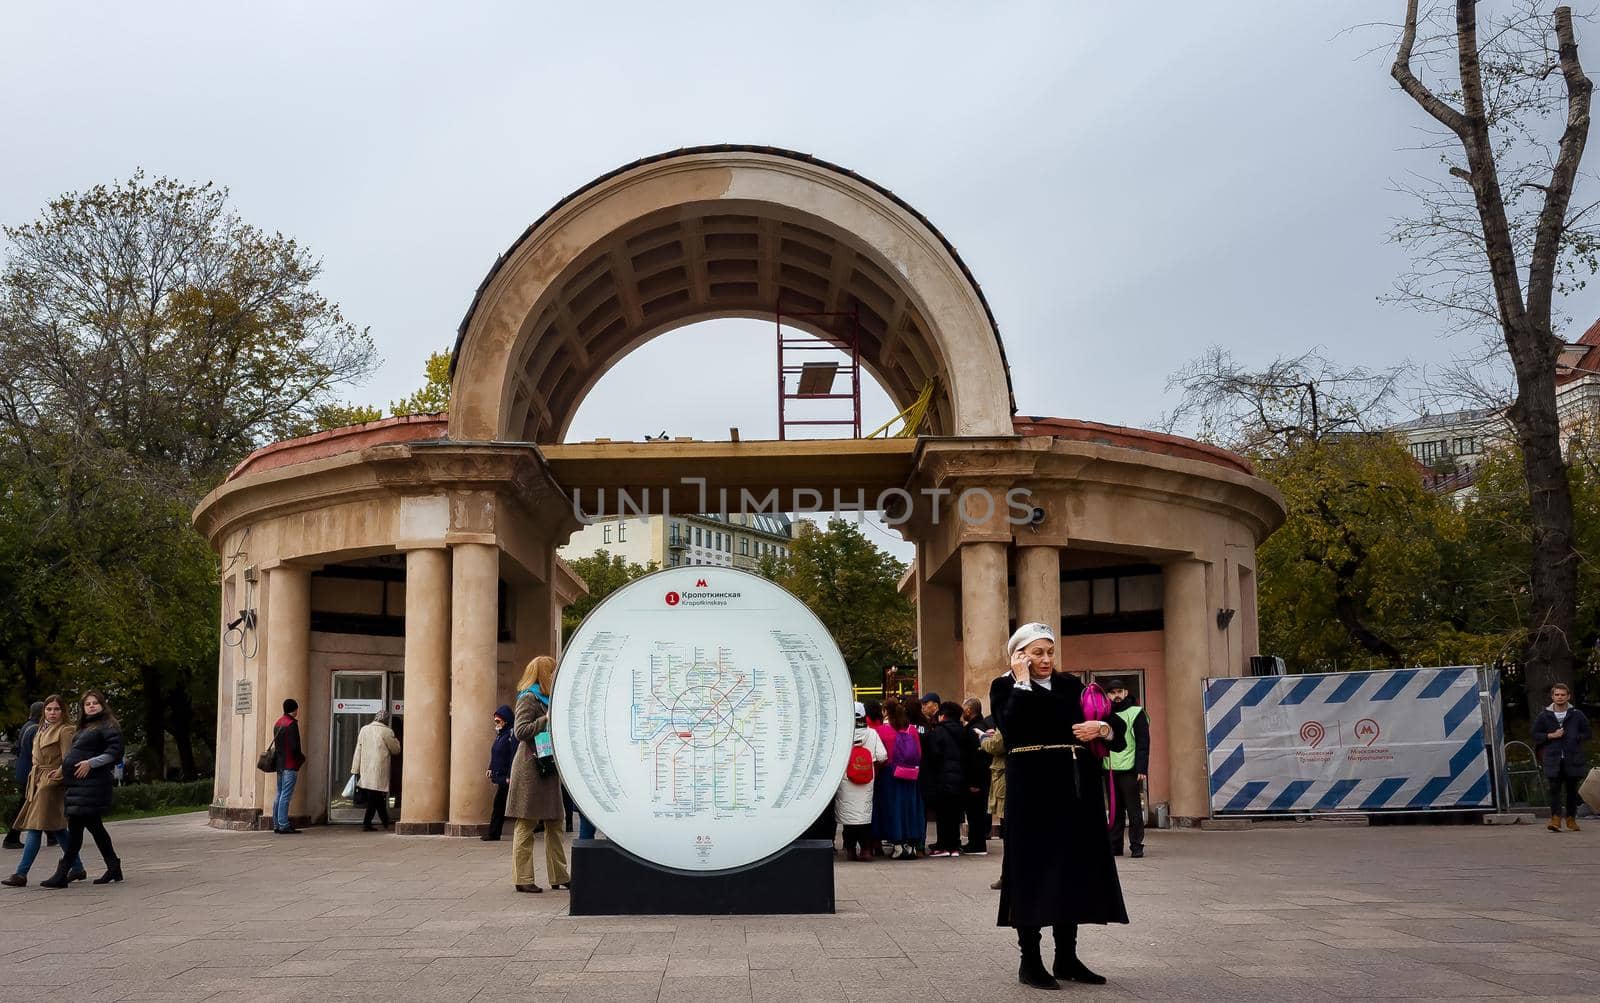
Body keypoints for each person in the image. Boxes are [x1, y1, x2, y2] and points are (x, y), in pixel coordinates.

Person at [990, 622, 1128, 990]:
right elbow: (1011, 726)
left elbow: (1115, 725)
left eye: (1050, 652)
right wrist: (1021, 681)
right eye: (1037, 653)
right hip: (1032, 789)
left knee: (1073, 867)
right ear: (1018, 655)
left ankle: (1066, 956)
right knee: (1031, 869)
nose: (1046, 659)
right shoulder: (1005, 687)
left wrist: (1101, 728)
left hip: (1075, 789)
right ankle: (1030, 961)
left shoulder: (1072, 686)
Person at [42, 691, 126, 888]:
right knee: (94, 827)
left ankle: (63, 872)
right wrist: (63, 769)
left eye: (95, 703)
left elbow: (114, 753)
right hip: (78, 786)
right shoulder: (84, 727)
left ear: (102, 705)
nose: (91, 706)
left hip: (92, 785)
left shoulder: (108, 726)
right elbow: (75, 753)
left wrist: (91, 763)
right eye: (87, 704)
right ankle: (113, 866)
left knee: (78, 829)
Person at [3, 696, 83, 887]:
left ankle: (21, 873)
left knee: (35, 827)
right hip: (37, 780)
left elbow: (68, 758)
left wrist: (58, 775)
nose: (52, 713)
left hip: (51, 783)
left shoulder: (65, 730)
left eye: (56, 709)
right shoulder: (40, 729)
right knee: (58, 828)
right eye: (49, 709)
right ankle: (78, 867)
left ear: (63, 711)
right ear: (43, 711)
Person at [507, 656, 570, 892]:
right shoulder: (529, 697)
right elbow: (520, 731)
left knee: (556, 823)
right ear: (543, 673)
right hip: (530, 768)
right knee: (526, 823)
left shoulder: (551, 698)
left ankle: (559, 876)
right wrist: (546, 719)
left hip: (547, 766)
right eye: (552, 672)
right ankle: (523, 879)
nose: (555, 675)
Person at [1533, 683, 1592, 832]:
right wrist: (1550, 736)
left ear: (1568, 696)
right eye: (1557, 695)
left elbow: (1588, 733)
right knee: (1554, 789)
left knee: (1571, 790)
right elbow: (1535, 734)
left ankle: (1571, 819)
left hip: (1572, 758)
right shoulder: (1544, 716)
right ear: (1552, 696)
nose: (1560, 697)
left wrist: (1576, 737)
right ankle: (1555, 819)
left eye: (1562, 695)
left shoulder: (1577, 714)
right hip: (1553, 759)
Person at [925, 701, 979, 857]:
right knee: (955, 814)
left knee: (943, 814)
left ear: (942, 716)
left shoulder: (938, 732)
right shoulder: (965, 732)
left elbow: (934, 756)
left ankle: (943, 845)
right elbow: (970, 756)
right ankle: (954, 845)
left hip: (942, 778)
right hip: (960, 779)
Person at [1103, 680, 1150, 858]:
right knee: (1115, 810)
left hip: (1129, 769)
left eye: (1119, 691)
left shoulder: (1136, 712)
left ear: (1125, 692)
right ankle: (1115, 845)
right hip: (1109, 768)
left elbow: (1143, 742)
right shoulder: (1105, 714)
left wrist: (1142, 768)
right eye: (1112, 692)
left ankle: (1136, 845)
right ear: (1107, 695)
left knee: (1134, 810)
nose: (1116, 696)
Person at [836, 702, 887, 861]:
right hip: (866, 779)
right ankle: (866, 849)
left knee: (848, 814)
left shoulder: (842, 733)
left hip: (846, 778)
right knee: (864, 815)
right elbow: (882, 755)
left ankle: (850, 849)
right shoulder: (871, 734)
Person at [879, 700, 925, 859]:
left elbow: (881, 756)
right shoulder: (912, 729)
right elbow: (918, 753)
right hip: (911, 775)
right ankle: (911, 844)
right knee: (911, 809)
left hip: (890, 774)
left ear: (886, 711)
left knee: (894, 809)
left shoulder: (882, 730)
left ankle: (897, 844)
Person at [351, 709, 401, 831]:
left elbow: (358, 750)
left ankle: (384, 820)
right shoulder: (387, 731)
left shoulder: (364, 729)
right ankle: (367, 823)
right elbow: (396, 749)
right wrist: (397, 741)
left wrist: (355, 769)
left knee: (375, 795)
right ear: (385, 720)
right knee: (375, 796)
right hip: (379, 768)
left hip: (366, 768)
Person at [962, 697, 992, 856]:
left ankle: (977, 844)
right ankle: (975, 841)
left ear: (969, 710)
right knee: (976, 812)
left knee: (975, 813)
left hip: (977, 779)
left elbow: (976, 758)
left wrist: (974, 781)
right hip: (981, 777)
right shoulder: (982, 725)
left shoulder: (975, 729)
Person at [483, 705, 517, 841]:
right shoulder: (501, 736)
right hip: (501, 776)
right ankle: (494, 833)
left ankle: (494, 833)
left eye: (498, 721)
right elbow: (495, 754)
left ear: (506, 721)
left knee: (500, 804)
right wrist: (490, 768)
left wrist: (509, 775)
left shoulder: (510, 736)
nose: (496, 724)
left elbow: (513, 756)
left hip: (506, 778)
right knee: (499, 804)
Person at [980, 720, 1007, 889]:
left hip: (1005, 775)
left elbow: (997, 745)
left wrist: (983, 739)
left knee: (1010, 831)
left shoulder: (1009, 715)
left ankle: (1008, 875)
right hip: (1006, 773)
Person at [272, 698, 305, 835]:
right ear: (295, 709)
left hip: (279, 764)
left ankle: (276, 823)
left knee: (279, 794)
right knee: (286, 795)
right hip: (289, 764)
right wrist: (300, 759)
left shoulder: (278, 723)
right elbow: (294, 746)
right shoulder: (291, 724)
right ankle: (284, 824)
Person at [866, 700, 895, 857]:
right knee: (881, 808)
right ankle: (880, 843)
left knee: (870, 810)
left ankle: (870, 842)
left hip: (867, 773)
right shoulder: (886, 730)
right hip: (885, 774)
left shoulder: (867, 730)